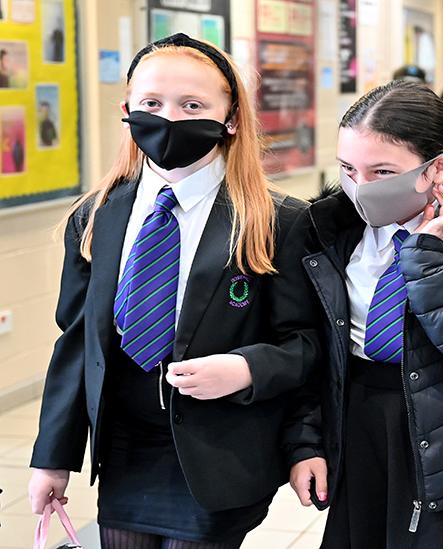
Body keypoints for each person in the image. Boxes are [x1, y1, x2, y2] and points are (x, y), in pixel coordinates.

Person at [27, 33, 320, 548]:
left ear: (230, 118)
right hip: (125, 450)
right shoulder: (96, 217)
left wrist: (247, 368)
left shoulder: (276, 220)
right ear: (127, 110)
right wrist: (52, 457)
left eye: (193, 105)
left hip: (222, 451)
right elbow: (77, 343)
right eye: (151, 104)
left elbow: (308, 345)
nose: (170, 119)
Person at [285, 80, 443, 548]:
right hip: (358, 425)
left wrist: (427, 255)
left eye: (381, 172)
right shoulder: (331, 227)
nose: (360, 188)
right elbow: (313, 348)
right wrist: (305, 443)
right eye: (347, 169)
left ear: (437, 168)